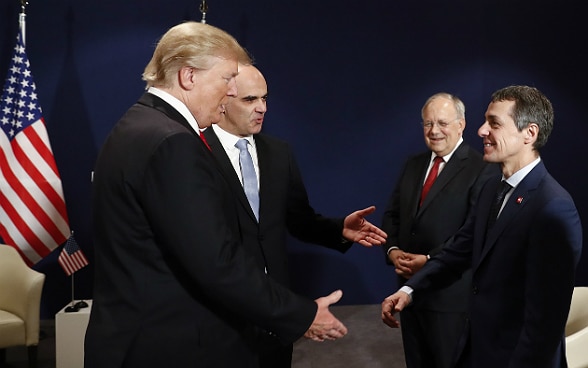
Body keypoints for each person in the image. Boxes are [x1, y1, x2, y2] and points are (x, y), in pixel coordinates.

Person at [84, 21, 348, 368]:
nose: (229, 93)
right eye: (226, 80)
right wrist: (303, 314)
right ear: (189, 76)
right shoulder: (173, 143)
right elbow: (216, 262)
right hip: (169, 345)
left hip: (131, 337)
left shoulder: (135, 125)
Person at [381, 85, 583, 368]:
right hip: (478, 350)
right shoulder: (492, 188)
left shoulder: (553, 207)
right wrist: (409, 291)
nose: (481, 131)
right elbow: (458, 250)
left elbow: (544, 326)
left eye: (494, 123)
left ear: (530, 133)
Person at [203, 63, 387, 367]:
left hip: (275, 310)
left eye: (265, 98)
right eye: (250, 100)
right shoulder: (195, 151)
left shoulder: (279, 153)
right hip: (220, 311)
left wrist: (340, 228)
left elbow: (299, 219)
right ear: (223, 100)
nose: (262, 108)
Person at [381, 93, 497, 368]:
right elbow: (392, 215)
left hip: (451, 299)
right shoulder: (413, 165)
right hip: (409, 294)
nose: (434, 131)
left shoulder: (483, 169)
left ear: (461, 125)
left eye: (442, 123)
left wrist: (430, 260)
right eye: (427, 123)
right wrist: (393, 250)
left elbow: (472, 233)